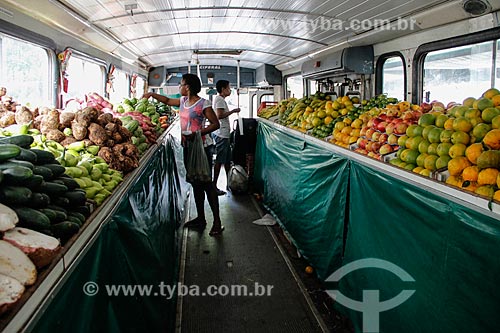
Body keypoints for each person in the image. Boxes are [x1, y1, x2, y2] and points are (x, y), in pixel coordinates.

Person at [142, 74, 224, 236]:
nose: (179, 87)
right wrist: (151, 94)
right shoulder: (182, 102)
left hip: (202, 148)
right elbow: (166, 101)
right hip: (188, 147)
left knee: (207, 184)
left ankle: (217, 221)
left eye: (181, 84)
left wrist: (198, 132)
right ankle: (201, 218)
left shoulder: (204, 104)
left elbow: (216, 124)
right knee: (195, 182)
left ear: (188, 87)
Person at [212, 80, 240, 195]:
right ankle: (214, 186)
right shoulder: (219, 100)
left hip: (224, 134)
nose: (230, 90)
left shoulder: (221, 100)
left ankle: (230, 183)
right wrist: (233, 111)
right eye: (228, 88)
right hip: (222, 135)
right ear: (223, 89)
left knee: (228, 161)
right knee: (220, 161)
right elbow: (219, 115)